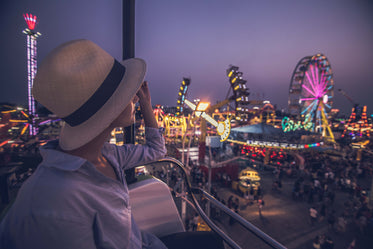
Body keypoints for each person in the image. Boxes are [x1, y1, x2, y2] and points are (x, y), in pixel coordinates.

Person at [0, 40, 225, 249]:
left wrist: (146, 105)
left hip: (145, 243)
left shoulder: (108, 155)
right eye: (128, 93)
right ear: (110, 108)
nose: (134, 98)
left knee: (213, 241)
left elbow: (156, 150)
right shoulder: (56, 203)